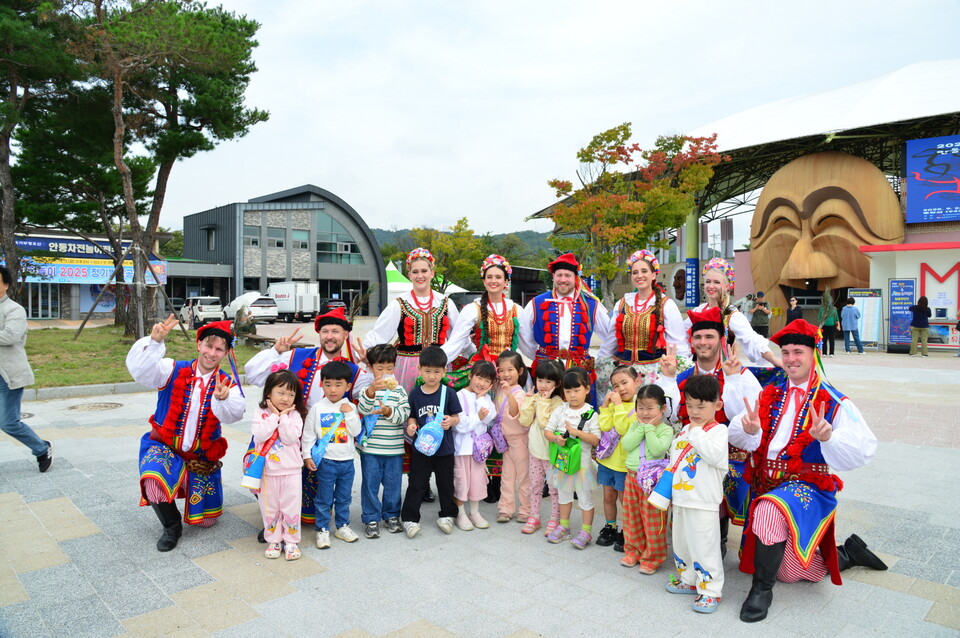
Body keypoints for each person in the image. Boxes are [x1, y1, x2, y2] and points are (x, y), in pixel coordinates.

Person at [730, 319, 886, 623]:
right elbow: (741, 435)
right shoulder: (769, 393)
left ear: (813, 354)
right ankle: (847, 554)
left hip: (808, 486)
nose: (790, 359)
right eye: (785, 352)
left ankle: (761, 590)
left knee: (768, 510)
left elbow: (866, 447)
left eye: (797, 351)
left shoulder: (833, 400)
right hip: (766, 482)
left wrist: (829, 437)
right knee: (790, 572)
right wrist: (748, 431)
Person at [245, 307, 372, 529]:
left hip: (321, 441)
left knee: (311, 495)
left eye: (336, 331)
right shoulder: (295, 356)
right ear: (319, 334)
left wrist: (371, 368)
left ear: (345, 335)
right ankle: (272, 520)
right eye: (325, 331)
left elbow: (372, 401)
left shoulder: (354, 371)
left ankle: (296, 519)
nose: (330, 336)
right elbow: (254, 375)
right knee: (265, 473)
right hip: (284, 430)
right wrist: (275, 351)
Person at [127, 318, 245, 551]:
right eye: (208, 346)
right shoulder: (171, 369)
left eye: (219, 349)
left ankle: (192, 489)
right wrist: (154, 342)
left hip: (201, 455)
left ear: (226, 353)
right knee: (153, 483)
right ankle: (172, 526)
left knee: (208, 522)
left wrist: (223, 398)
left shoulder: (227, 384)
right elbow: (140, 373)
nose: (212, 353)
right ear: (198, 344)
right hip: (164, 445)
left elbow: (235, 415)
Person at [660, 305, 763, 558]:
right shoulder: (682, 376)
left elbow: (748, 415)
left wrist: (734, 379)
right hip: (691, 457)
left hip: (729, 456)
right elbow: (669, 416)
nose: (703, 342)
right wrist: (668, 379)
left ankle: (717, 544)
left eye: (709, 337)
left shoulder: (741, 374)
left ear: (721, 340)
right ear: (691, 341)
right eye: (698, 337)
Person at [663, 374, 728, 614]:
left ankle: (711, 590)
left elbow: (714, 455)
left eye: (701, 406)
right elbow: (674, 462)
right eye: (690, 405)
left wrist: (697, 432)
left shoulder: (718, 431)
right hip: (681, 499)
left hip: (703, 501)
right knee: (682, 544)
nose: (694, 411)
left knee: (704, 546)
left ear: (717, 405)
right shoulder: (684, 431)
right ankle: (689, 579)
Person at [519, 252, 612, 405]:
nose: (563, 280)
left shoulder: (591, 304)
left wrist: (600, 357)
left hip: (579, 371)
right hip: (548, 372)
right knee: (546, 413)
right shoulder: (537, 302)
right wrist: (541, 357)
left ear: (576, 277)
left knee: (581, 414)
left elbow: (610, 335)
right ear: (553, 277)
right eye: (559, 275)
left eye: (567, 275)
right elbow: (524, 336)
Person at [361, 248, 459, 392]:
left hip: (437, 366)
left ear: (432, 273)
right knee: (408, 405)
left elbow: (457, 336)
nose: (420, 276)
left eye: (424, 271)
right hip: (407, 366)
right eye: (415, 272)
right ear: (409, 275)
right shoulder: (399, 303)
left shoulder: (445, 303)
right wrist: (364, 351)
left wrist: (471, 353)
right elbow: (380, 334)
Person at [597, 250, 691, 398]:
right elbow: (611, 341)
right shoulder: (622, 303)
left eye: (644, 271)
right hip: (624, 374)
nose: (639, 276)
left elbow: (677, 345)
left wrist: (681, 373)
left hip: (654, 374)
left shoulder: (667, 305)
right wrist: (600, 363)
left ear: (654, 275)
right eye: (635, 272)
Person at [401, 345, 463, 538]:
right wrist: (411, 426)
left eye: (437, 371)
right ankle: (410, 519)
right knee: (417, 482)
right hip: (421, 448)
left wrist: (450, 421)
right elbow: (411, 417)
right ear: (419, 369)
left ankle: (447, 515)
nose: (432, 376)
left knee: (445, 483)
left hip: (444, 449)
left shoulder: (449, 393)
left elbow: (456, 417)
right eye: (427, 371)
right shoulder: (415, 393)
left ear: (445, 371)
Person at [302, 361, 362, 549]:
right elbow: (308, 435)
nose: (333, 389)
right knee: (324, 498)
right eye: (328, 384)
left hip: (347, 462)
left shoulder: (350, 407)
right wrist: (306, 456)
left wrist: (350, 414)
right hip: (326, 462)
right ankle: (322, 529)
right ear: (322, 384)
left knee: (344, 497)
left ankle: (342, 526)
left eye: (338, 385)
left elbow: (356, 431)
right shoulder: (318, 408)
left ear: (348, 386)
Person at [0, 266, 53, 472]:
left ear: (6, 285)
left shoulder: (14, 310)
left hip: (8, 376)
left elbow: (11, 336)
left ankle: (41, 449)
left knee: (8, 423)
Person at [683, 258, 780, 368]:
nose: (711, 286)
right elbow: (681, 337)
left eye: (717, 282)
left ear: (728, 286)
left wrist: (776, 361)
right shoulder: (698, 310)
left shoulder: (731, 314)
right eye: (708, 282)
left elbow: (752, 340)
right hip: (698, 369)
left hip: (723, 371)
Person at [251, 368, 307, 561]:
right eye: (280, 392)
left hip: (291, 471)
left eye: (291, 394)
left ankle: (291, 541)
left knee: (291, 506)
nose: (285, 398)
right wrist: (274, 416)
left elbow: (290, 437)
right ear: (268, 392)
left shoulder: (295, 415)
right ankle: (273, 540)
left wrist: (283, 416)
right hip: (267, 471)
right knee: (270, 507)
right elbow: (259, 435)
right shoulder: (261, 413)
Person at [356, 344, 411, 538]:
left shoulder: (400, 391)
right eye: (380, 368)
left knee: (393, 484)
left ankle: (392, 515)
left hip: (394, 449)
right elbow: (362, 409)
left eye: (389, 368)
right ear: (370, 368)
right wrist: (371, 392)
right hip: (371, 449)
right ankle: (371, 517)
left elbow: (404, 414)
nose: (385, 373)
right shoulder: (366, 390)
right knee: (370, 484)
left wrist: (389, 411)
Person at [443, 254, 521, 388]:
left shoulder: (516, 309)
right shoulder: (472, 309)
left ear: (506, 281)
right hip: (482, 371)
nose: (493, 281)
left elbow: (527, 342)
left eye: (498, 277)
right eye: (489, 277)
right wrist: (434, 362)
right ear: (484, 281)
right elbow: (456, 342)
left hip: (508, 373)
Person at [544, 367, 600, 549]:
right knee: (564, 496)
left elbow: (596, 440)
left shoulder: (591, 414)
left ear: (587, 389)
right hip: (563, 464)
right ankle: (564, 526)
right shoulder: (561, 410)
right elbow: (548, 431)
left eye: (577, 390)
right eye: (568, 391)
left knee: (585, 498)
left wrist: (577, 432)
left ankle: (586, 531)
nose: (572, 395)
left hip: (582, 466)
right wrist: (556, 438)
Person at [619, 384, 673, 574]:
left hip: (653, 482)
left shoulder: (666, 430)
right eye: (641, 408)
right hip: (631, 477)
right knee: (631, 518)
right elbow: (626, 444)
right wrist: (642, 428)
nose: (645, 412)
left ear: (662, 408)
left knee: (653, 521)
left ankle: (653, 557)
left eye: (650, 408)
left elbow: (658, 450)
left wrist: (649, 429)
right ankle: (633, 551)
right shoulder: (635, 425)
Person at [595, 366, 643, 552]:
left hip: (625, 465)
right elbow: (605, 426)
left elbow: (624, 429)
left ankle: (627, 530)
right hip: (608, 461)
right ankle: (611, 526)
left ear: (637, 381)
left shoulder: (639, 406)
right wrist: (606, 407)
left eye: (625, 382)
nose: (621, 388)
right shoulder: (615, 405)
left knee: (626, 501)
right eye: (616, 386)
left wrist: (619, 407)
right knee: (608, 496)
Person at [518, 359, 564, 536]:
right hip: (535, 451)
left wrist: (542, 403)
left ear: (557, 383)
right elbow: (524, 421)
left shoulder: (558, 403)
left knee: (553, 488)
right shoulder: (536, 397)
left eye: (548, 381)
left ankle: (555, 518)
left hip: (551, 453)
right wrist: (529, 403)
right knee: (535, 485)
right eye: (540, 380)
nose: (543, 385)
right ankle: (534, 516)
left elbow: (546, 424)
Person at [452, 360, 497, 530]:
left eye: (487, 381)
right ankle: (461, 513)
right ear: (470, 376)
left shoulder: (485, 399)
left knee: (477, 481)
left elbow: (490, 417)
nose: (482, 383)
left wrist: (480, 399)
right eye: (479, 378)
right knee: (461, 482)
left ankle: (475, 512)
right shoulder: (459, 396)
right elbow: (460, 425)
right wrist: (477, 416)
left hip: (479, 451)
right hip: (462, 449)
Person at [494, 350, 530, 524]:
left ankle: (526, 509)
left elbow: (515, 412)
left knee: (524, 477)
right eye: (501, 370)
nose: (505, 374)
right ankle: (505, 509)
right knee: (507, 477)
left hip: (520, 441)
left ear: (520, 371)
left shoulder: (519, 393)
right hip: (506, 441)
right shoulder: (499, 389)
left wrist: (509, 394)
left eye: (510, 370)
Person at [816, 293, 839, 358]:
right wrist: (821, 322)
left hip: (832, 326)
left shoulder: (834, 309)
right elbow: (819, 318)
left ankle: (831, 353)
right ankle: (824, 353)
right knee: (824, 340)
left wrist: (837, 325)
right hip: (824, 326)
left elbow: (836, 318)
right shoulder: (822, 309)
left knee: (832, 340)